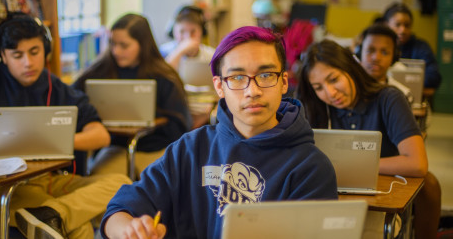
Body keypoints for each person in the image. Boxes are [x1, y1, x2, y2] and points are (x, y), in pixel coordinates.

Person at [100, 26, 338, 239]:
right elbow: (118, 211)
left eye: (265, 75)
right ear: (219, 86)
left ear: (284, 82)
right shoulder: (191, 148)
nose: (252, 91)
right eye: (237, 77)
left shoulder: (310, 167)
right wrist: (130, 230)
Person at [0, 14, 131, 239]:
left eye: (34, 52)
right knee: (77, 227)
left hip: (52, 180)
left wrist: (49, 141)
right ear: (3, 56)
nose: (28, 62)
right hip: (1, 190)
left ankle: (55, 213)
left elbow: (100, 136)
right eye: (17, 55)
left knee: (122, 184)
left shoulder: (57, 88)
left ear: (46, 50)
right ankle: (58, 215)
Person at [296, 39, 441, 239]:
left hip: (380, 204)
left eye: (333, 79)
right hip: (333, 201)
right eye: (318, 87)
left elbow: (417, 163)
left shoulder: (389, 99)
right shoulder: (316, 109)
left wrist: (358, 167)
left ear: (351, 68)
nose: (330, 93)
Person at [73, 13, 192, 178]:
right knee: (101, 184)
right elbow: (73, 101)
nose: (116, 51)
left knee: (159, 186)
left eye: (124, 45)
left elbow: (179, 126)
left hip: (156, 148)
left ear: (142, 45)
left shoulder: (164, 76)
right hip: (116, 148)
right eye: (113, 44)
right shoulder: (99, 71)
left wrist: (150, 122)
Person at [382, 2, 442, 92]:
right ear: (386, 25)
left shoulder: (421, 48)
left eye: (407, 25)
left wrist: (404, 81)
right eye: (397, 25)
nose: (402, 30)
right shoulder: (379, 47)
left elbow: (434, 77)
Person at [357, 23, 413, 104]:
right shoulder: (345, 92)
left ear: (394, 57)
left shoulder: (402, 95)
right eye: (370, 50)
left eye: (384, 52)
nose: (376, 58)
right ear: (359, 53)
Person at [159, 5, 216, 71]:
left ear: (202, 32)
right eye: (182, 31)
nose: (188, 37)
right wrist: (180, 51)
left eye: (193, 31)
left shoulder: (212, 55)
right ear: (173, 32)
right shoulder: (162, 52)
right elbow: (162, 75)